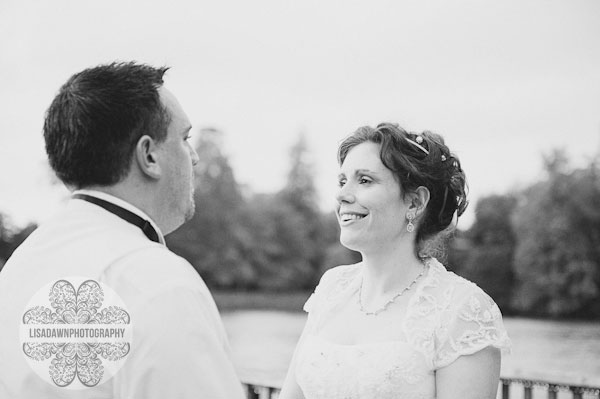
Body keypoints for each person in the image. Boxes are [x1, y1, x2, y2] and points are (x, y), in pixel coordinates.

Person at [0, 62, 246, 398]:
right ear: (149, 155)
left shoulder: (20, 267)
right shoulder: (157, 280)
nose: (194, 157)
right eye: (184, 138)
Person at [280, 123, 511, 399]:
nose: (342, 195)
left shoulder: (463, 309)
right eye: (342, 181)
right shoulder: (332, 288)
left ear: (414, 203)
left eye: (364, 180)